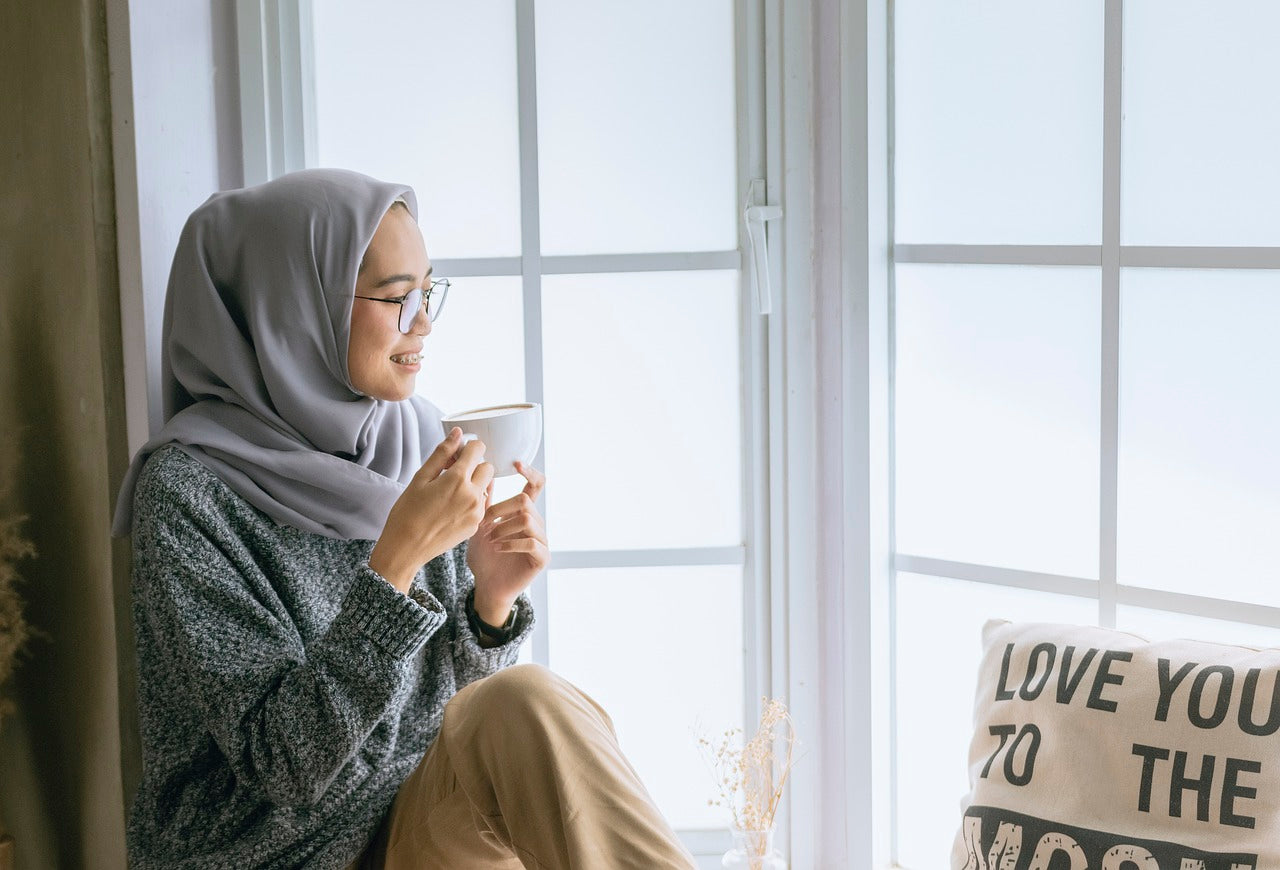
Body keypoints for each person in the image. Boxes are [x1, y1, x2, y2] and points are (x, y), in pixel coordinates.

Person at [112, 169, 697, 869]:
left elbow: (453, 718)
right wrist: (393, 564)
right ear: (292, 309)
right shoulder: (188, 492)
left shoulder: (411, 442)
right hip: (277, 856)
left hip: (408, 829)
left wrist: (489, 602)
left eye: (427, 292)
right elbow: (286, 769)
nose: (423, 322)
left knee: (524, 700)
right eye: (395, 297)